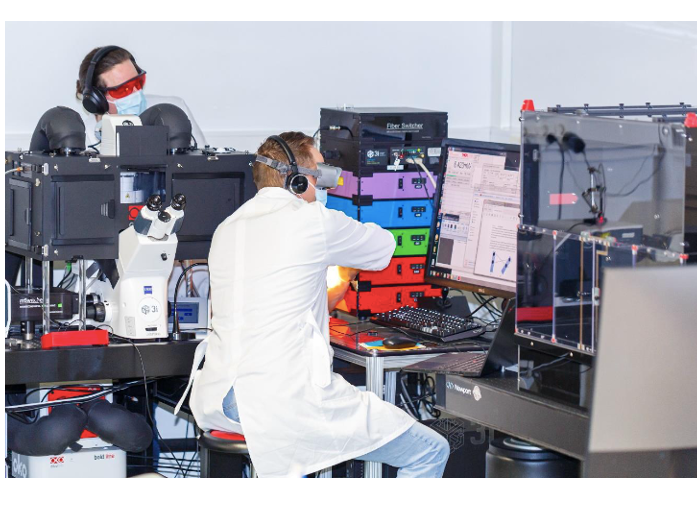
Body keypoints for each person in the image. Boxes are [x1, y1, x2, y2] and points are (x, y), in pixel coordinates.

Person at [182, 132, 450, 478]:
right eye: (321, 172)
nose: (324, 182)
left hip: (218, 397)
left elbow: (289, 302)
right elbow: (383, 247)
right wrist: (343, 249)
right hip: (276, 403)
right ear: (298, 179)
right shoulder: (312, 221)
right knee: (429, 451)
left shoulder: (228, 228)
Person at [75, 46, 206, 148]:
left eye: (138, 82)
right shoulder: (83, 138)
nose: (135, 93)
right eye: (123, 89)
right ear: (97, 99)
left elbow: (203, 168)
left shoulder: (173, 112)